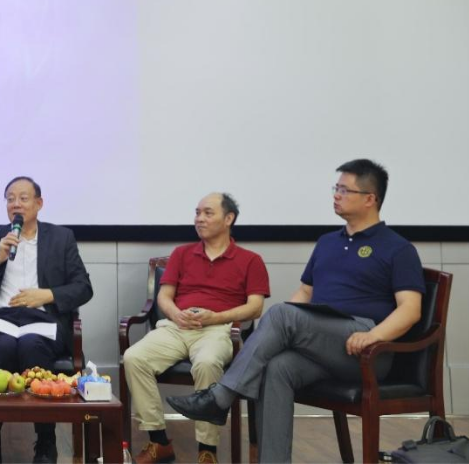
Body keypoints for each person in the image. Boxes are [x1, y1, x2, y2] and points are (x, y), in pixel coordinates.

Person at [168, 159, 426, 464]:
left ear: (370, 198)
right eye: (336, 188)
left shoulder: (397, 248)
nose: (336, 195)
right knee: (277, 368)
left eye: (345, 190)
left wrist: (373, 336)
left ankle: (220, 397)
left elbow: (410, 310)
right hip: (324, 343)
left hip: (367, 349)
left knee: (280, 314)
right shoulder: (327, 242)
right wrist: (279, 332)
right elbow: (304, 293)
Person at [123, 193, 269, 464]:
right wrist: (176, 314)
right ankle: (158, 441)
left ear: (229, 218)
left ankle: (207, 449)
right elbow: (164, 296)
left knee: (207, 363)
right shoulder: (182, 253)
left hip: (218, 329)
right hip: (176, 327)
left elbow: (255, 307)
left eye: (208, 213)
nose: (199, 219)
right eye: (197, 212)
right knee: (134, 358)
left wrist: (216, 317)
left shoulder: (250, 260)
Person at [0, 176, 94, 464]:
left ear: (39, 203)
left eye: (23, 198)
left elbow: (84, 287)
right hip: (1, 320)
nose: (15, 204)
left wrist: (46, 295)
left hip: (41, 320)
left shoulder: (61, 238)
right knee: (2, 349)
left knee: (33, 346)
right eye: (10, 199)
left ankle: (45, 443)